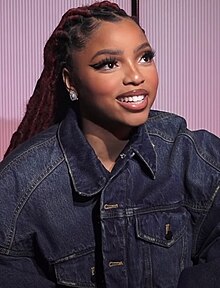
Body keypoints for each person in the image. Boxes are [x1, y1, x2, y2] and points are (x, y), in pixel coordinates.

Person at [0, 1, 220, 287]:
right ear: (70, 81)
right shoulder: (20, 184)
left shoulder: (189, 153)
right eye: (109, 64)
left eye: (145, 57)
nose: (136, 76)